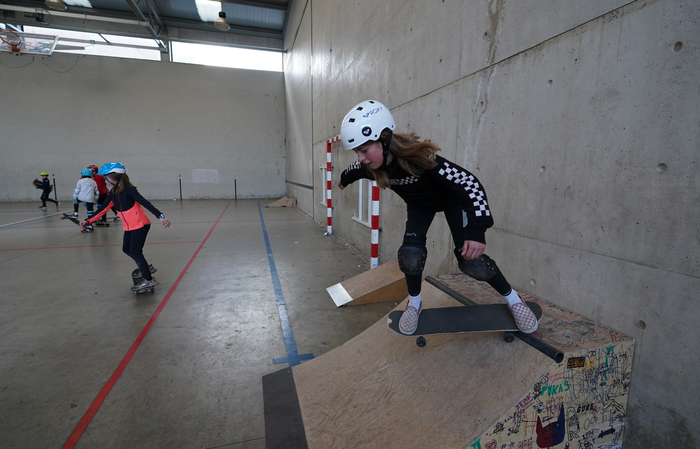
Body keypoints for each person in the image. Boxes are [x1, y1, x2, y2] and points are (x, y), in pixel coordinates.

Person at [336, 100, 538, 335]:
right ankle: (415, 302)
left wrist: (477, 230)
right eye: (356, 152)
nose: (360, 158)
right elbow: (353, 169)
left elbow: (469, 183)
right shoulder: (370, 165)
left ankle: (513, 300)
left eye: (363, 150)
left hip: (454, 202)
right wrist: (343, 179)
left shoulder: (419, 160)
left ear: (385, 140)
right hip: (420, 206)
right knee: (410, 255)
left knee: (471, 261)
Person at [80, 162, 171, 292]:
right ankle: (147, 267)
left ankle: (149, 279)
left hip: (140, 225)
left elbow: (145, 203)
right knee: (126, 249)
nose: (105, 180)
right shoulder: (113, 193)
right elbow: (103, 208)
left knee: (135, 251)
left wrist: (160, 216)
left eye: (106, 178)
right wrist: (88, 220)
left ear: (114, 177)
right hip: (129, 227)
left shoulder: (129, 190)